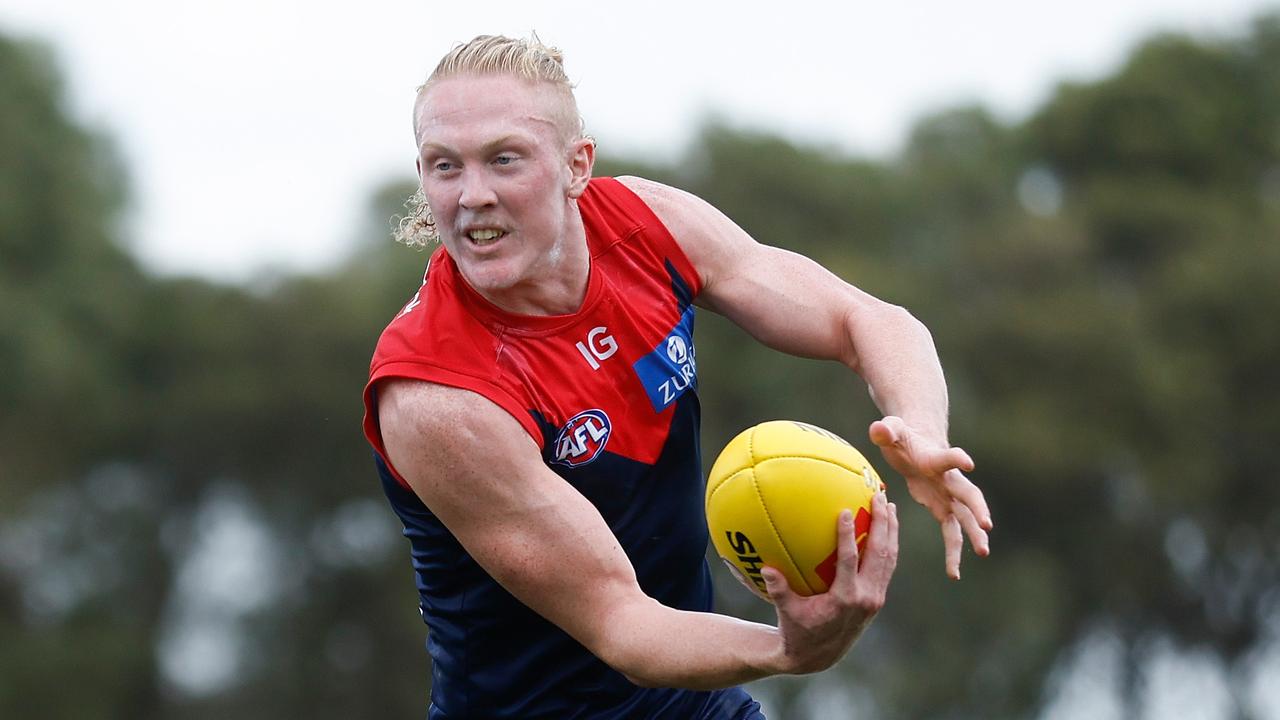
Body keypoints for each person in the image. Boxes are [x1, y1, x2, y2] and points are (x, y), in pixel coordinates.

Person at [361, 34, 992, 720]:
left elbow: (865, 320)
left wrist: (922, 432)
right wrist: (790, 650)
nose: (472, 195)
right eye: (443, 166)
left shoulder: (644, 225)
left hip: (691, 705)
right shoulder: (435, 393)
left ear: (578, 165)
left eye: (504, 159)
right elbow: (623, 624)